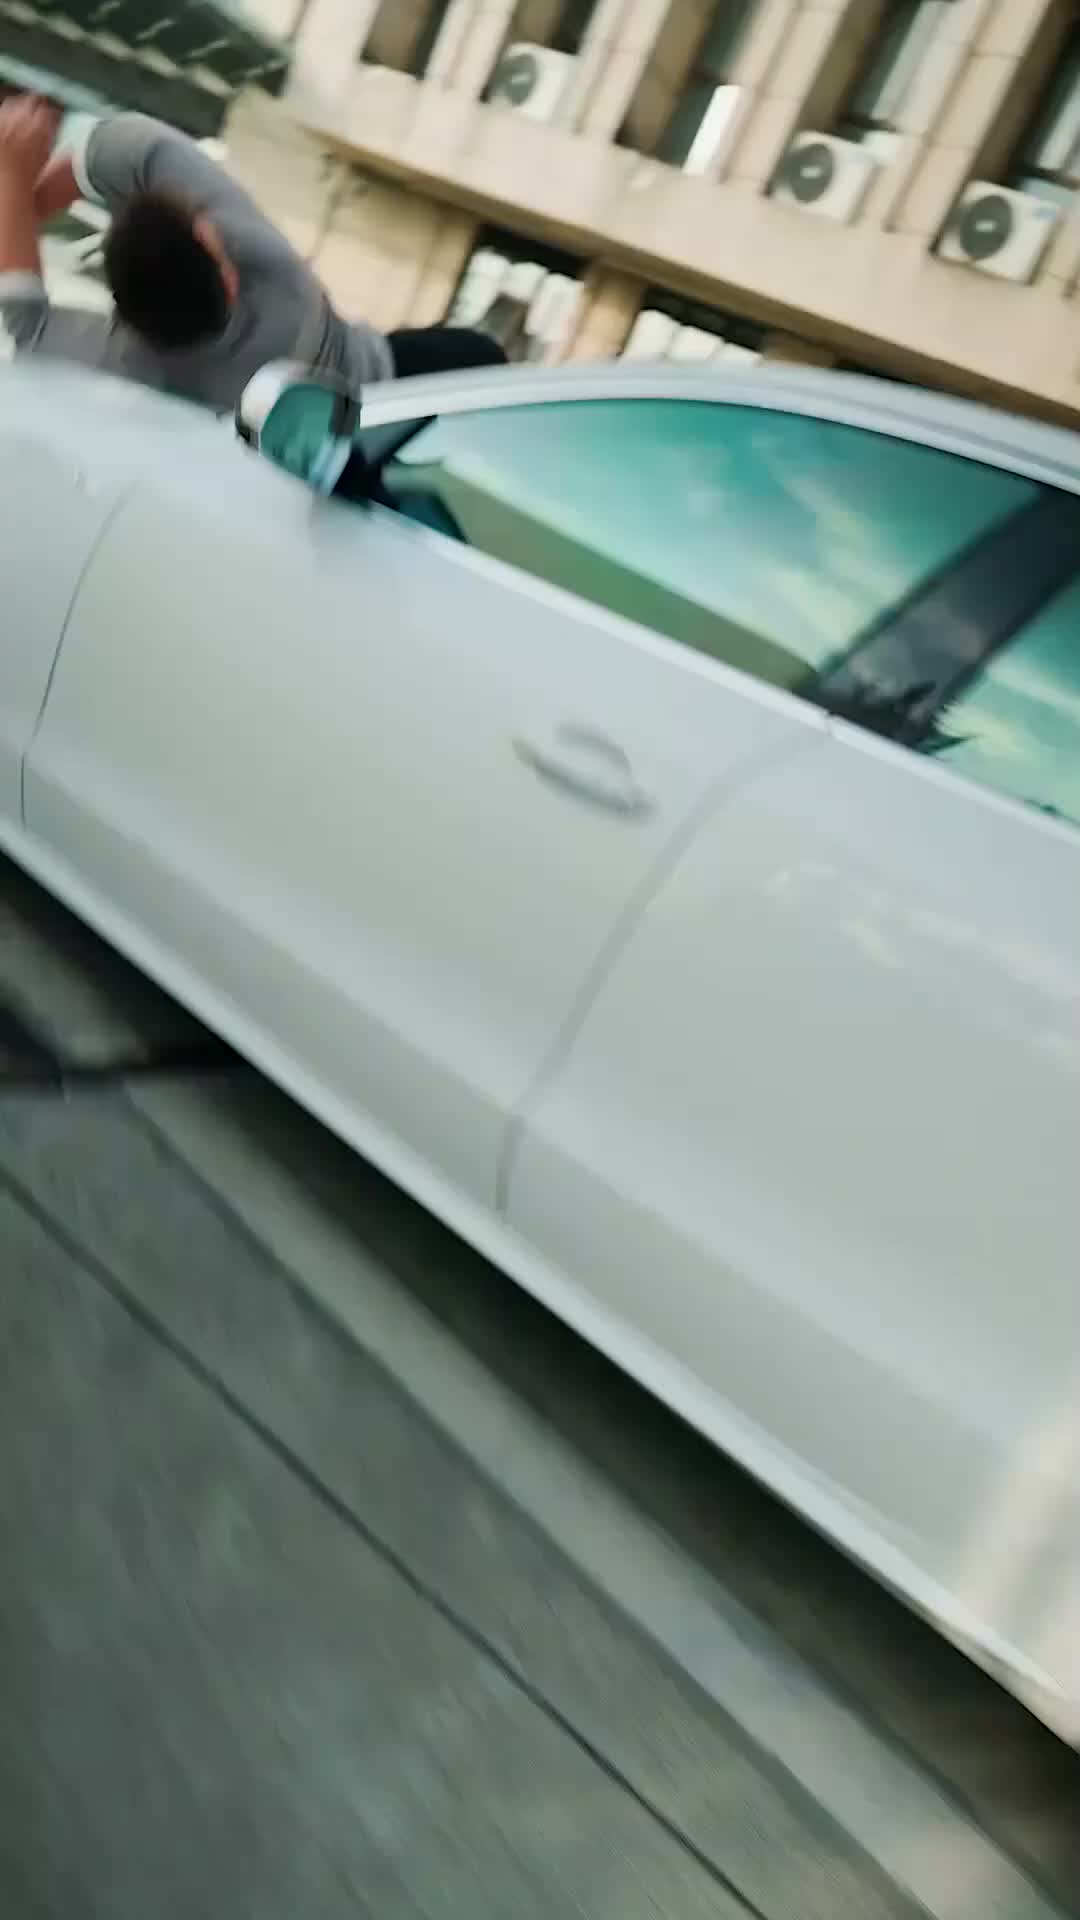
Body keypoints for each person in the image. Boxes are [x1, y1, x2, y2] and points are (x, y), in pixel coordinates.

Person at [0, 93, 504, 409]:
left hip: (305, 465)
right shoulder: (265, 266)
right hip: (392, 379)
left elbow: (25, 321)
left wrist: (13, 191)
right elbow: (124, 148)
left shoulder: (131, 360)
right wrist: (13, 175)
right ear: (230, 278)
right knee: (484, 358)